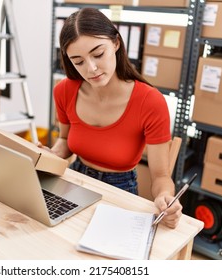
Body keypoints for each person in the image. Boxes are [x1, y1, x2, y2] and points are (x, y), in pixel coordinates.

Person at [41, 7, 182, 228]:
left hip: (120, 189)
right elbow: (65, 142)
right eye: (78, 61)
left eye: (98, 54)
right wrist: (49, 155)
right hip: (75, 179)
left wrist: (165, 197)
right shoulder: (64, 90)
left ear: (116, 43)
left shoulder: (150, 101)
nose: (91, 68)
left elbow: (161, 176)